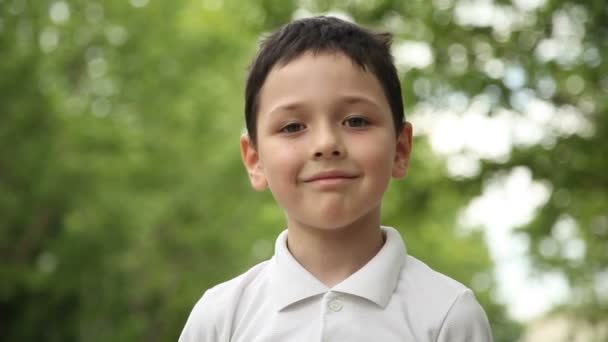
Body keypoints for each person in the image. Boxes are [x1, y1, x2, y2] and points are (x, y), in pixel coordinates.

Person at [179, 16, 493, 342]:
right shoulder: (220, 318)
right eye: (292, 127)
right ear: (255, 159)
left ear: (400, 149)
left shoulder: (447, 315)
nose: (326, 144)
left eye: (356, 121)